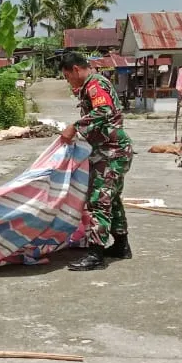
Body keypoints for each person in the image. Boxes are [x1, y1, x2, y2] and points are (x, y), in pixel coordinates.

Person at [58, 52, 134, 271]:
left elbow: (104, 110)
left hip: (111, 152)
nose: (68, 81)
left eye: (67, 76)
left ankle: (95, 253)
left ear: (75, 70)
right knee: (112, 199)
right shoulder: (92, 84)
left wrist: (75, 126)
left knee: (98, 200)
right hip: (111, 150)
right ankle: (121, 245)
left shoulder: (95, 84)